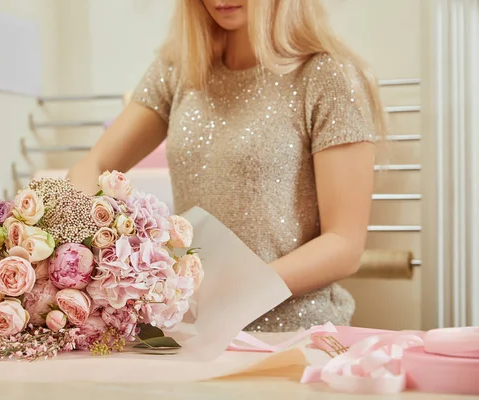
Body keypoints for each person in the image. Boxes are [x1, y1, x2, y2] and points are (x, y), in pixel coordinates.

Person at [68, 0, 386, 332]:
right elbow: (94, 164)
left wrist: (230, 291)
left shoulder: (326, 76)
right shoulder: (179, 70)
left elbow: (344, 244)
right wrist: (84, 247)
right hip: (197, 330)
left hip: (295, 335)